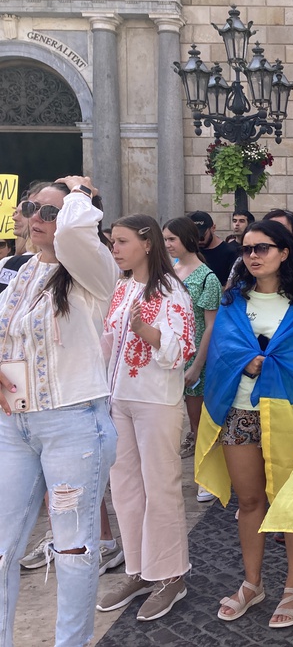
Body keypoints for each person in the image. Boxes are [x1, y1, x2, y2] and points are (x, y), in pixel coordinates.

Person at [0, 176, 118, 647]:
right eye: (33, 208)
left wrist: (81, 193)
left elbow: (72, 235)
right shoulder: (19, 271)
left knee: (72, 548)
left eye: (52, 212)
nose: (39, 219)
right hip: (14, 425)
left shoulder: (94, 270)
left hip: (74, 425)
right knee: (2, 548)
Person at [203, 220, 293, 629]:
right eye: (247, 249)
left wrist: (269, 363)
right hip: (240, 411)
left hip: (291, 412)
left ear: (284, 252)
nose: (253, 256)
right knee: (249, 501)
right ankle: (252, 583)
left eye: (262, 248)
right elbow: (222, 351)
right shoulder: (232, 300)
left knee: (291, 501)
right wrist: (247, 360)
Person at [97, 214, 194, 622]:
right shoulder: (121, 288)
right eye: (112, 242)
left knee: (161, 488)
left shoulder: (171, 290)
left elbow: (182, 347)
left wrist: (145, 330)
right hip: (118, 398)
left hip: (155, 399)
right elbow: (108, 341)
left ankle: (171, 575)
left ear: (147, 243)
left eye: (121, 241)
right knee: (125, 489)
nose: (115, 249)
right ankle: (138, 569)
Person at [163, 217, 223, 489]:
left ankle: (205, 478)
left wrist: (198, 365)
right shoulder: (169, 273)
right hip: (170, 354)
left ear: (187, 239)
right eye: (165, 239)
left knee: (198, 421)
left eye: (172, 239)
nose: (168, 244)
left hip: (196, 356)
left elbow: (211, 325)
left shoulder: (207, 278)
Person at [190, 210, 238, 284]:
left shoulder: (231, 252)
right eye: (195, 236)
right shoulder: (190, 252)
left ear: (213, 228)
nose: (199, 241)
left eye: (202, 236)